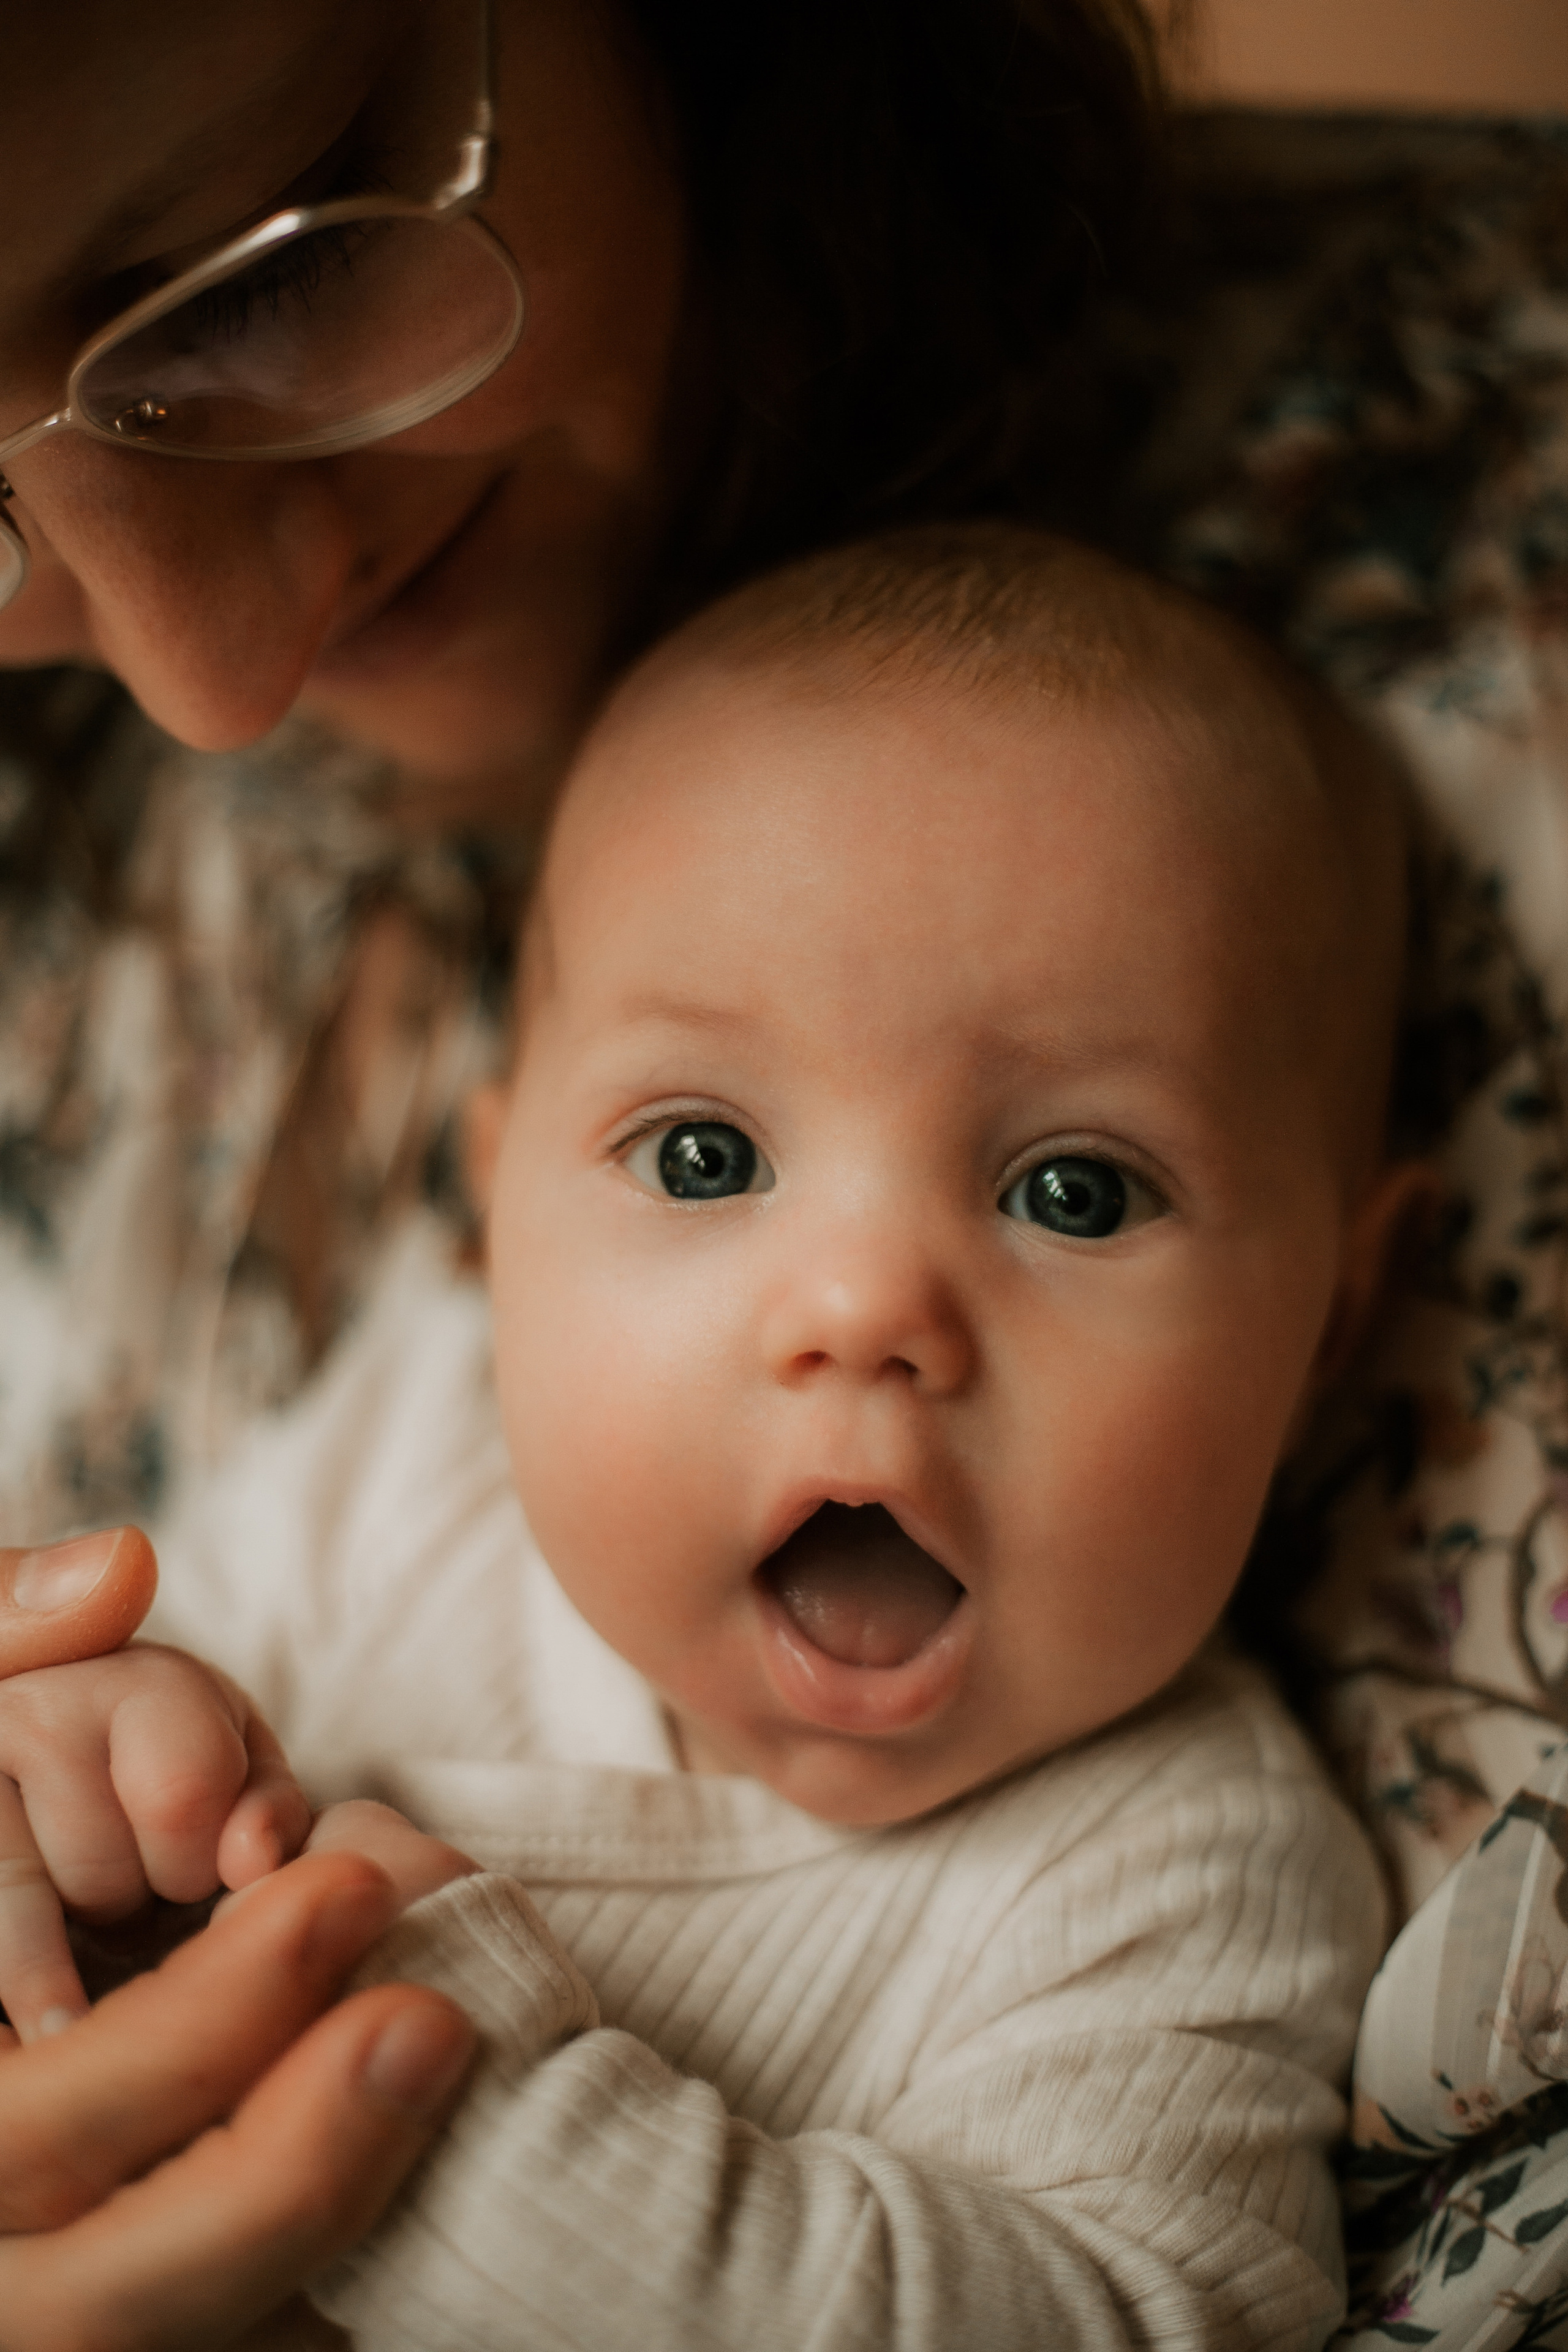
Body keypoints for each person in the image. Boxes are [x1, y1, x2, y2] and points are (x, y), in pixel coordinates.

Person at [0, 529, 1422, 2344]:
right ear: (498, 1205)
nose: (865, 1312)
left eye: (1074, 1187)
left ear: (1331, 1326)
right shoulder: (420, 1449)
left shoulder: (1173, 1868)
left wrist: (439, 2087)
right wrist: (86, 1762)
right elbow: (124, 1721)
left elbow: (1125, 2319)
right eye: (704, 1157)